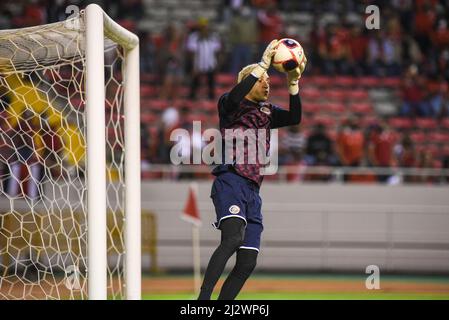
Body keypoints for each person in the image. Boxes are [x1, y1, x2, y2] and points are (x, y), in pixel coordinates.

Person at [198, 39, 307, 300]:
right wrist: (261, 65)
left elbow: (295, 117)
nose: (268, 82)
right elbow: (236, 94)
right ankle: (202, 301)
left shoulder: (268, 111)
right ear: (247, 81)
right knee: (232, 239)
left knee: (247, 261)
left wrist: (293, 84)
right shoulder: (230, 104)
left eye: (269, 79)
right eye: (262, 79)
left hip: (252, 190)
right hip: (231, 180)